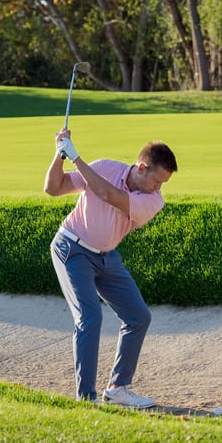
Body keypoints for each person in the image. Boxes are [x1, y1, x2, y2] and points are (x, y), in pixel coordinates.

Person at [43, 131, 177, 408]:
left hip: (106, 257)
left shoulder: (154, 201)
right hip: (72, 249)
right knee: (90, 317)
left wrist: (77, 158)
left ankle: (117, 388)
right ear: (141, 168)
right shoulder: (105, 167)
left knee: (138, 316)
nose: (158, 188)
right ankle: (86, 399)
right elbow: (53, 188)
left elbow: (107, 194)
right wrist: (60, 154)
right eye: (156, 181)